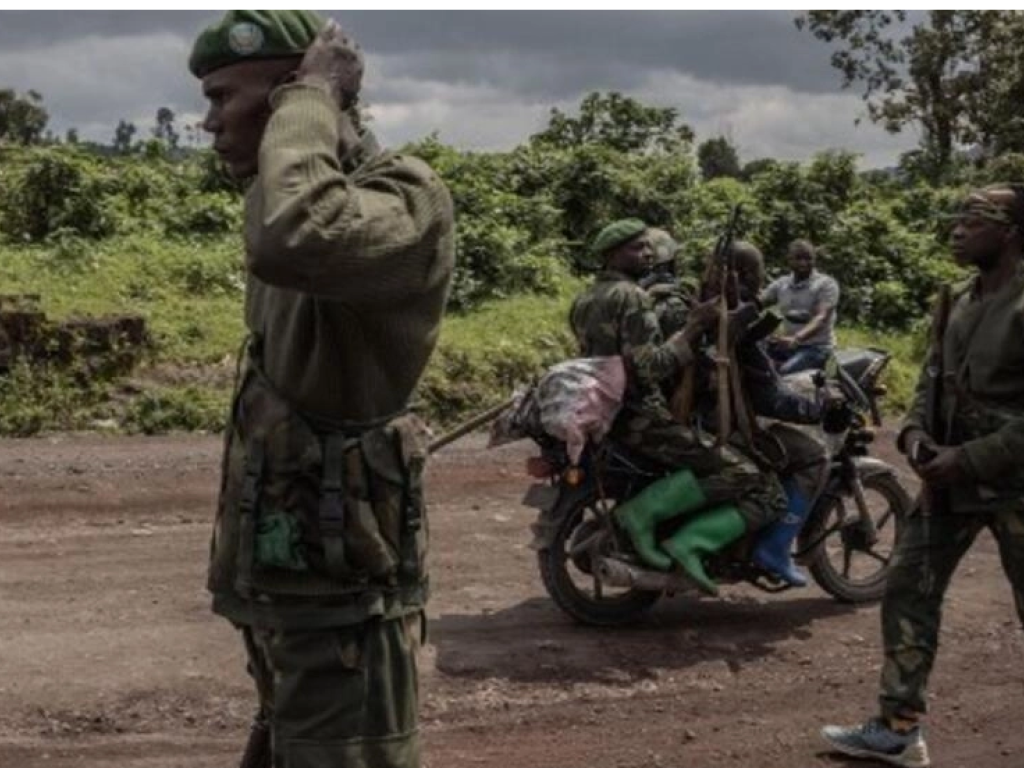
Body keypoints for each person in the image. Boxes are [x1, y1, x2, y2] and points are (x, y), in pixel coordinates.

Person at [190, 11, 454, 768]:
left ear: (290, 95)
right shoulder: (292, 198)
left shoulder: (403, 199)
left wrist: (311, 98)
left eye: (223, 97)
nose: (209, 123)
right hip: (296, 597)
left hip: (344, 611)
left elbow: (295, 233)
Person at [821, 185, 1024, 768]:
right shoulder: (955, 300)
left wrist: (971, 456)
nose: (958, 230)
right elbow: (930, 381)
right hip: (949, 485)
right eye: (956, 219)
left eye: (974, 220)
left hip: (1013, 483)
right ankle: (897, 729)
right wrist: (913, 435)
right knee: (907, 589)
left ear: (1011, 231)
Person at [569, 219, 786, 595]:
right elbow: (650, 367)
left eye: (647, 247)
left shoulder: (585, 299)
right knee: (748, 476)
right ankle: (662, 527)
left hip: (609, 412)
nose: (647, 253)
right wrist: (694, 328)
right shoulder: (632, 297)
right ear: (612, 255)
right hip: (642, 415)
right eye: (636, 248)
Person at [696, 241, 830, 587]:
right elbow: (771, 400)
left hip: (698, 415)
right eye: (758, 272)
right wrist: (817, 408)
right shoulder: (738, 317)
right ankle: (774, 547)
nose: (762, 279)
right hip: (722, 423)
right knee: (814, 455)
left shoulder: (699, 304)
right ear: (742, 275)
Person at [762, 239, 839, 375]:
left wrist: (796, 339)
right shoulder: (782, 284)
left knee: (785, 373)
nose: (803, 263)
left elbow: (821, 318)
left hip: (816, 348)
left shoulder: (826, 285)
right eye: (798, 258)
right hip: (788, 346)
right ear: (789, 260)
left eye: (808, 259)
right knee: (753, 359)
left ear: (814, 260)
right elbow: (759, 302)